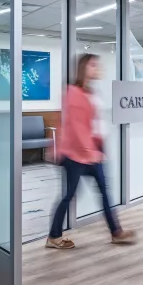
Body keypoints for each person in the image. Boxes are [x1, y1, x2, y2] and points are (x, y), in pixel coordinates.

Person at [47, 54, 135, 249]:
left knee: (104, 192)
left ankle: (116, 232)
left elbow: (93, 125)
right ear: (83, 68)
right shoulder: (73, 92)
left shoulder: (90, 93)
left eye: (97, 64)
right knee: (69, 195)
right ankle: (54, 236)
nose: (97, 68)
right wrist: (90, 151)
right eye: (93, 65)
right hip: (76, 155)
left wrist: (99, 147)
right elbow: (77, 128)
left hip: (92, 152)